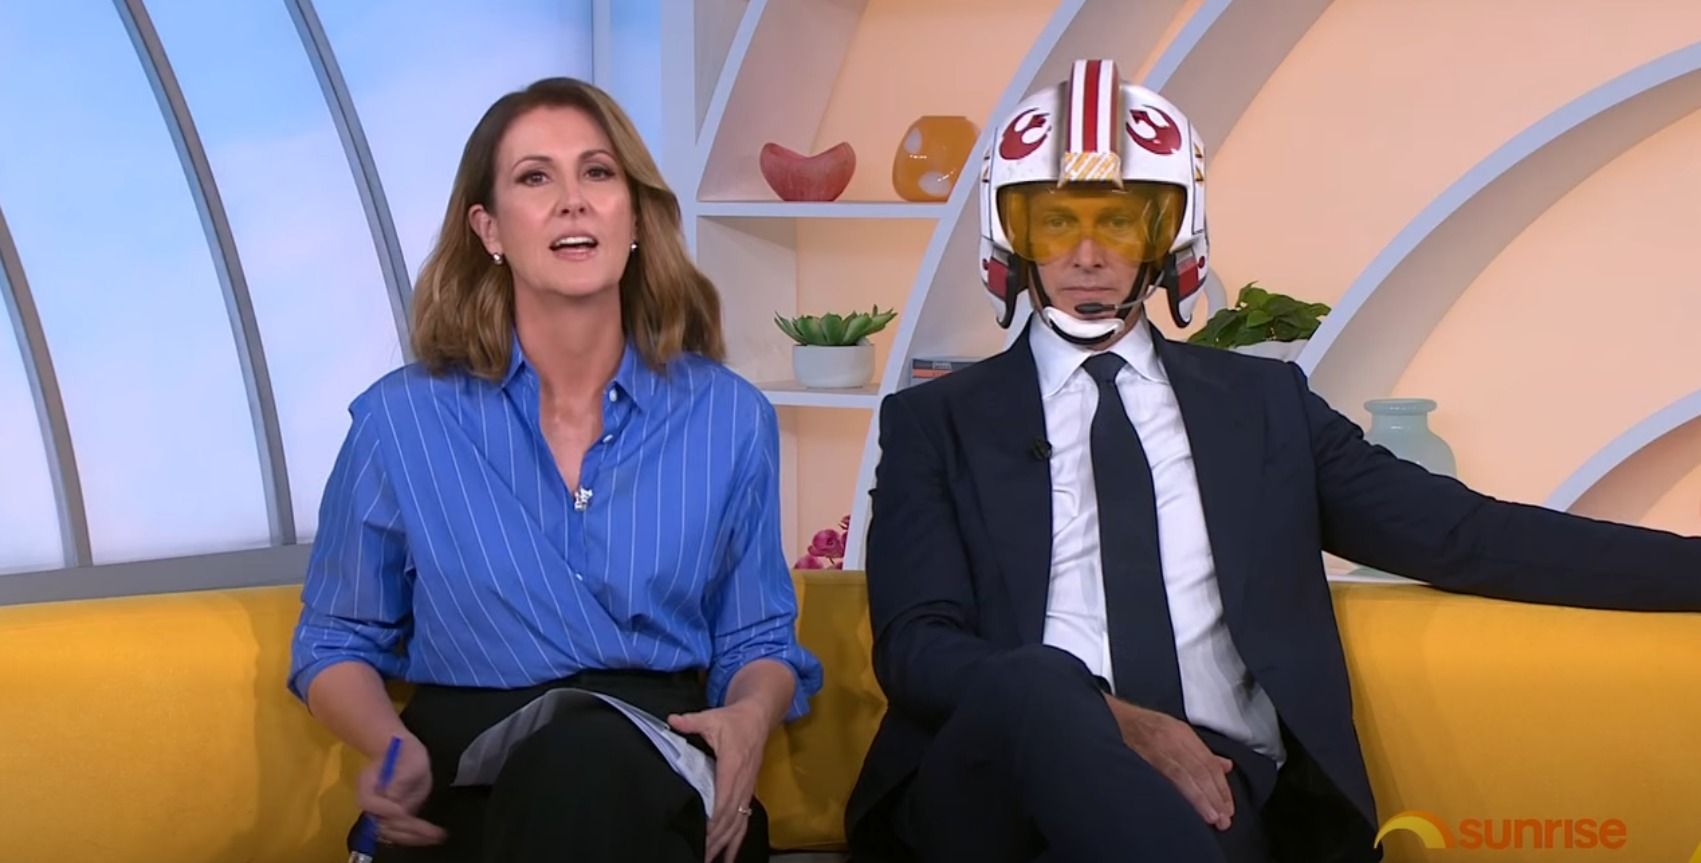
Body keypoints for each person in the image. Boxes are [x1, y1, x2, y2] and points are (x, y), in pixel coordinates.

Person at [844, 59, 1701, 863]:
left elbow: (1462, 534)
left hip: (1214, 782)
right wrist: (1108, 717)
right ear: (1013, 236)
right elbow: (916, 647)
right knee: (1036, 682)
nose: (1088, 255)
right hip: (992, 786)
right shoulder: (934, 421)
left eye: (1119, 221)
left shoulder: (1263, 407)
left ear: (1168, 236)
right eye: (1056, 220)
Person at [287, 76, 822, 863]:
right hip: (463, 781)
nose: (573, 201)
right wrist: (390, 745)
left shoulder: (728, 417)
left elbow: (755, 637)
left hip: (655, 774)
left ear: (633, 216)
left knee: (587, 763)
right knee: (565, 780)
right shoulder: (399, 422)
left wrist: (749, 715)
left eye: (597, 172)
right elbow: (336, 639)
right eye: (535, 177)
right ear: (489, 228)